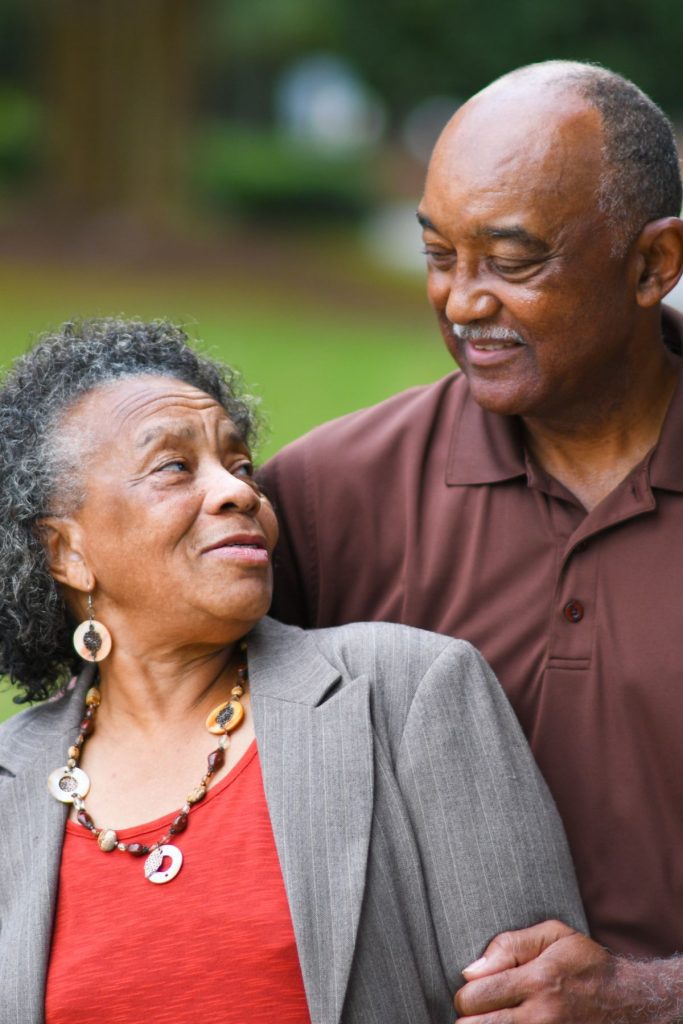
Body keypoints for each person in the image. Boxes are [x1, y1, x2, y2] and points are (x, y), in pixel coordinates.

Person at [0, 318, 583, 1024]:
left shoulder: (410, 694)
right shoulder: (12, 783)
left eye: (241, 467)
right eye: (174, 467)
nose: (239, 493)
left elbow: (538, 1005)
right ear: (66, 552)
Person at [258, 61, 683, 1021]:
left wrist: (647, 996)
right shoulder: (326, 499)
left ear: (653, 264)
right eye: (438, 254)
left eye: (512, 259)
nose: (461, 301)